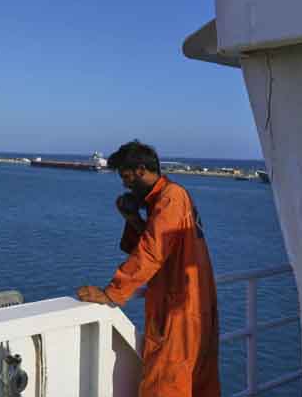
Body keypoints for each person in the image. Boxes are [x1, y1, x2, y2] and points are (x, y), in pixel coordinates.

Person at [76, 140, 220, 396]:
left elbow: (152, 250)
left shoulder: (171, 198)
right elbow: (154, 244)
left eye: (127, 177)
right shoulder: (167, 199)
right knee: (197, 382)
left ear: (141, 170)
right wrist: (132, 218)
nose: (125, 185)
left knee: (165, 383)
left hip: (179, 308)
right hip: (192, 304)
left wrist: (112, 292)